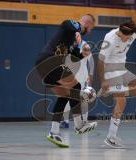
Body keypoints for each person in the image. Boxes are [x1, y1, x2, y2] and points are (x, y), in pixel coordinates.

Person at [35, 14, 97, 148]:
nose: (90, 32)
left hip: (43, 66)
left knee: (64, 96)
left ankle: (54, 132)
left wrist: (82, 54)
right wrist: (79, 30)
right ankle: (79, 125)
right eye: (91, 28)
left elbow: (72, 59)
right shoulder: (70, 26)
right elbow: (67, 24)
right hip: (50, 61)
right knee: (77, 86)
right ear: (88, 23)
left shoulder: (74, 40)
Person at [98, 20, 136, 148]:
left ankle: (115, 91)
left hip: (122, 68)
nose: (122, 38)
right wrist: (103, 80)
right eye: (120, 35)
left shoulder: (133, 33)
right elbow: (100, 61)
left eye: (125, 37)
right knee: (121, 102)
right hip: (110, 69)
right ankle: (111, 137)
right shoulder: (110, 38)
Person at [60, 41, 94, 128]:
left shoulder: (85, 45)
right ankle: (65, 121)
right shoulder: (68, 45)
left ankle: (85, 120)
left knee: (84, 99)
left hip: (82, 78)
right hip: (72, 77)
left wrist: (90, 76)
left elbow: (91, 61)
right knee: (68, 99)